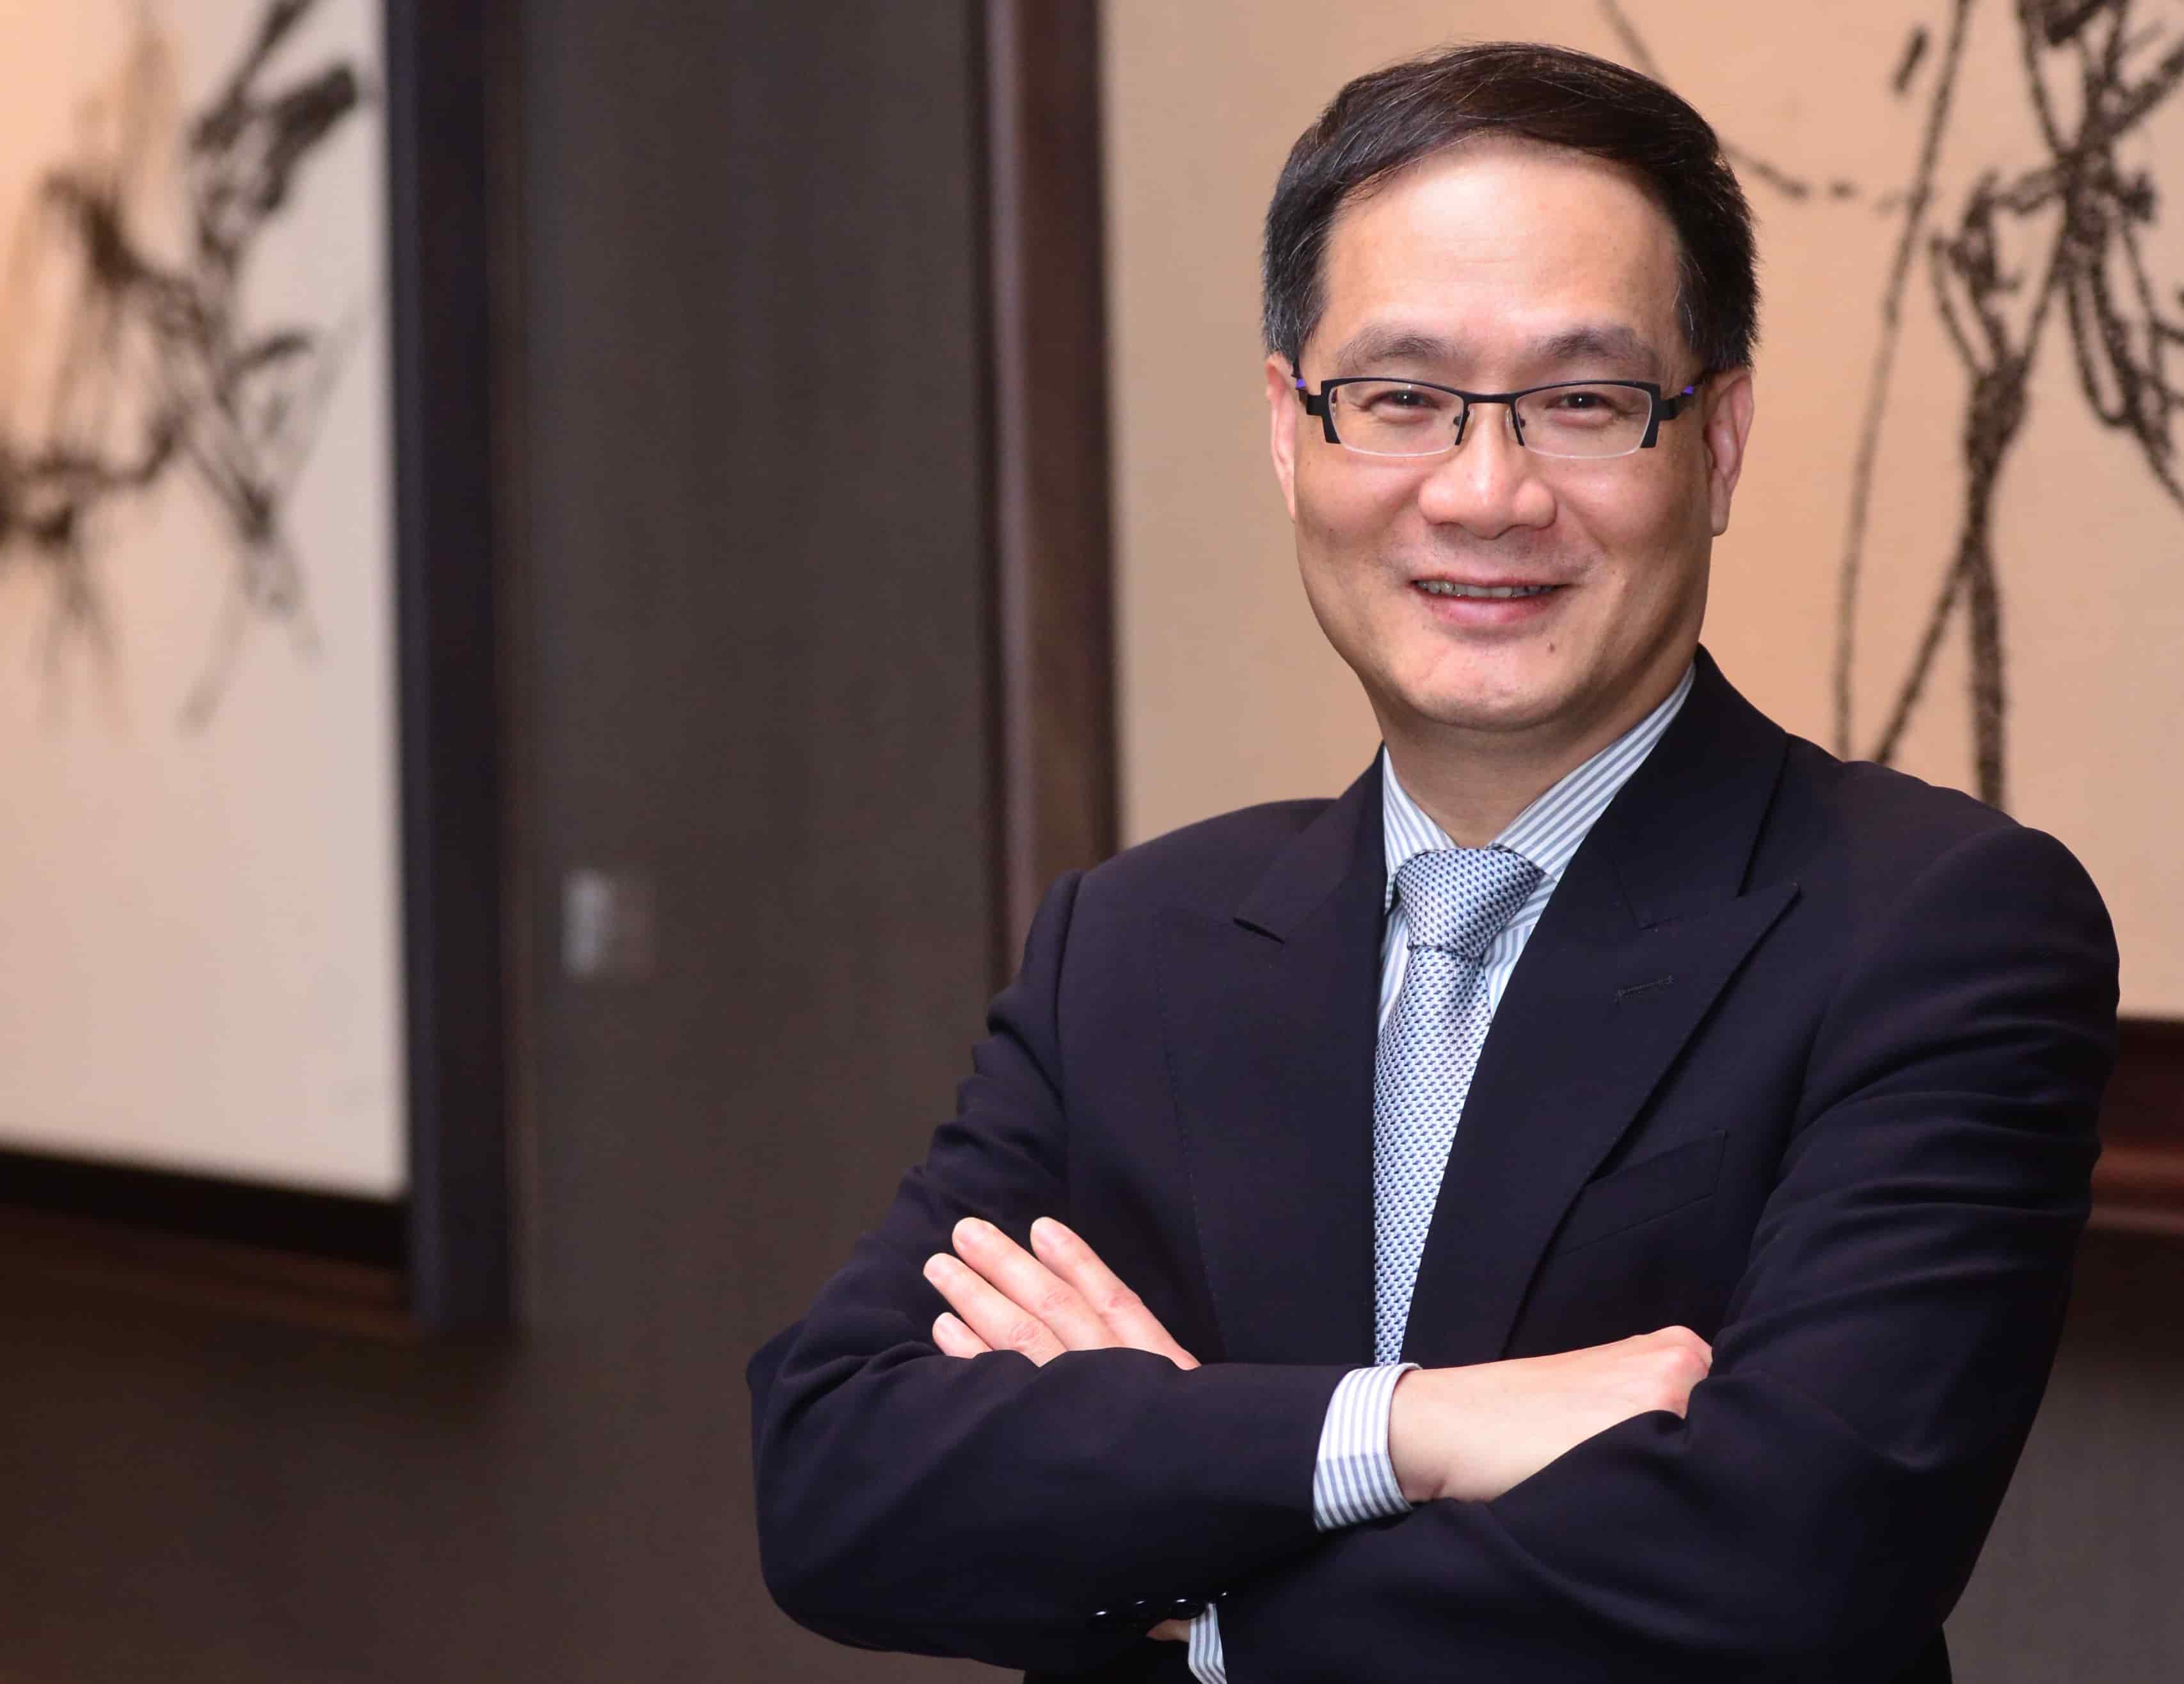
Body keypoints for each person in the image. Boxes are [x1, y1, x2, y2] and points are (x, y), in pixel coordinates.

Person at [747, 41, 2117, 1683]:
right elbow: (839, 1479)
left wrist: (1189, 1574)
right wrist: (1408, 1427)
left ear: (1719, 440)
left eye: (1584, 401)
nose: (1485, 491)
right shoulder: (1135, 940)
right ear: (1290, 431)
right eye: (1401, 398)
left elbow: (1789, 1558)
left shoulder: (1938, 923)